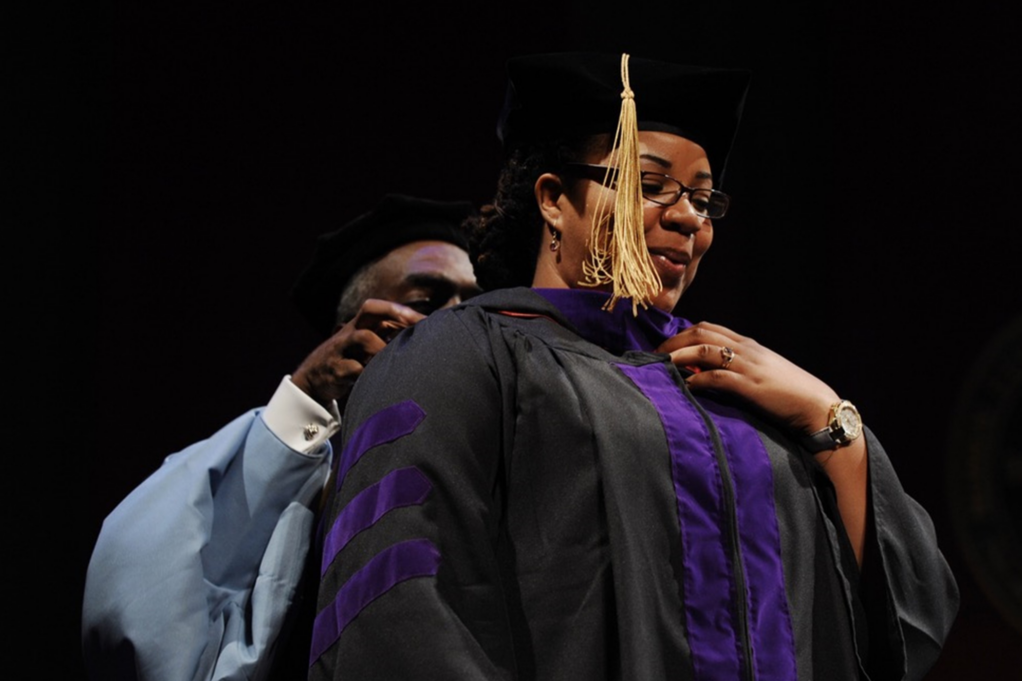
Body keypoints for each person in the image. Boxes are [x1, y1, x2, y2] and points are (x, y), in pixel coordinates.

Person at [309, 53, 959, 681]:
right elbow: (397, 609)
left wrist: (830, 420)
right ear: (554, 198)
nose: (687, 219)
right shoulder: (458, 355)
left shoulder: (742, 388)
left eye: (705, 202)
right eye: (649, 187)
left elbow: (905, 623)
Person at [82, 193, 482, 681]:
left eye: (476, 303)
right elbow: (147, 623)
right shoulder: (295, 460)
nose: (460, 321)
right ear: (347, 335)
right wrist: (306, 396)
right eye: (425, 301)